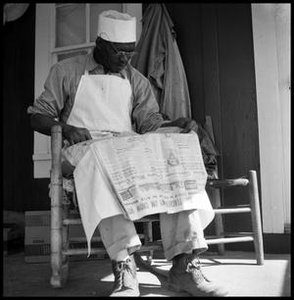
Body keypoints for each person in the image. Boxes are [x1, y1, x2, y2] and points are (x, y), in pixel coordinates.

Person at [27, 10, 227, 297]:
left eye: (130, 53)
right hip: (81, 151)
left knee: (174, 158)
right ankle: (124, 264)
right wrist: (66, 128)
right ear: (100, 44)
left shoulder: (136, 80)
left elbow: (151, 126)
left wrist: (178, 125)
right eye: (119, 52)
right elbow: (37, 116)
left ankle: (184, 266)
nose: (125, 59)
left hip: (124, 151)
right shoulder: (67, 71)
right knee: (101, 162)